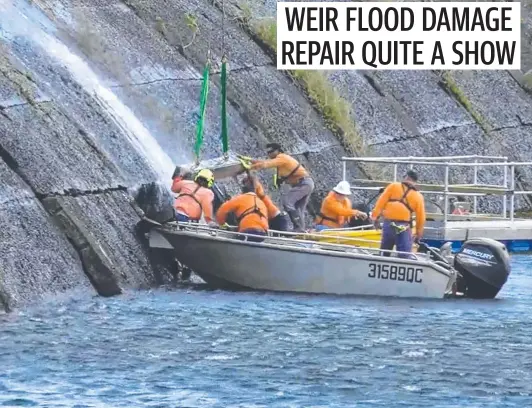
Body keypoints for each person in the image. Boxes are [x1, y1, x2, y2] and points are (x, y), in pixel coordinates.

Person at [250, 143, 314, 232]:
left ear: (278, 150)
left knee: (288, 202)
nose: (269, 154)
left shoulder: (282, 158)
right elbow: (265, 162)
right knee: (298, 208)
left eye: (271, 151)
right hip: (305, 183)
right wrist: (251, 160)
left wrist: (250, 167)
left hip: (303, 183)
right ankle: (300, 230)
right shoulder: (282, 159)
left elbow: (266, 164)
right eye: (268, 152)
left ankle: (299, 228)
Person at [371, 170, 426, 258]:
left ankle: (381, 264)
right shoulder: (418, 196)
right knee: (405, 255)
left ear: (405, 177)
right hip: (403, 227)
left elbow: (380, 203)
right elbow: (421, 217)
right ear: (415, 182)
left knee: (384, 252)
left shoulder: (393, 186)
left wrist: (375, 217)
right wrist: (419, 233)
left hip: (388, 224)